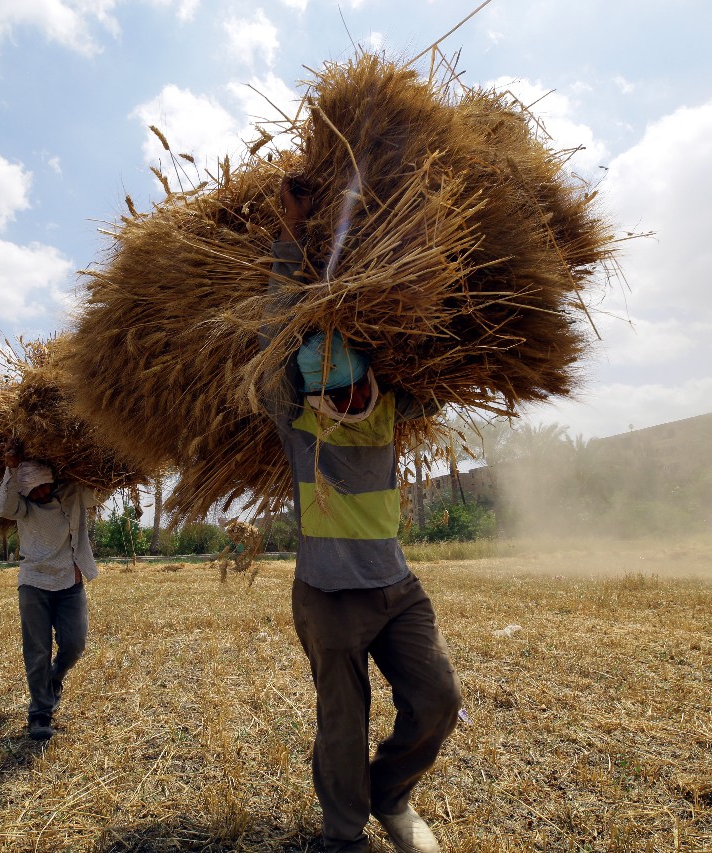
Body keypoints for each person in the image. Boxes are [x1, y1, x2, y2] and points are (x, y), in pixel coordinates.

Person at [261, 178, 463, 853]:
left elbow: (441, 354)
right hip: (328, 596)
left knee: (438, 700)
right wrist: (289, 245)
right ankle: (343, 835)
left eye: (354, 386)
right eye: (333, 392)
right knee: (341, 725)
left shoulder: (390, 405)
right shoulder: (295, 421)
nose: (348, 401)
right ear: (313, 390)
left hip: (397, 589)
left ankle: (390, 794)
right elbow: (271, 338)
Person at [0, 437, 100, 741]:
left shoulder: (74, 495)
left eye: (44, 486)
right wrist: (10, 470)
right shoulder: (22, 508)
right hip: (34, 583)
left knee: (74, 644)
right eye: (33, 490)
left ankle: (55, 679)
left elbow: (98, 489)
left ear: (52, 480)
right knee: (37, 650)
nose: (40, 493)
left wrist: (91, 460)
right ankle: (40, 712)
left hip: (70, 581)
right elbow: (3, 506)